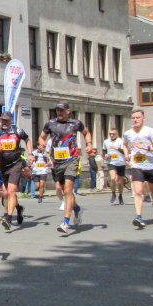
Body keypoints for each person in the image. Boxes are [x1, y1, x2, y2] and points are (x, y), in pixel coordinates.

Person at [40, 101, 94, 236]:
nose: (59, 113)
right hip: (57, 161)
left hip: (72, 160)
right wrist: (41, 144)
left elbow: (86, 133)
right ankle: (77, 208)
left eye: (62, 110)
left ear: (68, 111)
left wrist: (89, 144)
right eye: (58, 110)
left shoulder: (75, 123)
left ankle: (65, 222)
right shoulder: (50, 123)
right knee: (64, 191)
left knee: (69, 190)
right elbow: (42, 137)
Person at [0, 111, 31, 231]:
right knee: (5, 193)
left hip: (15, 164)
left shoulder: (18, 131)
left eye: (6, 120)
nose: (4, 122)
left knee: (10, 192)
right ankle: (18, 209)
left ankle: (9, 217)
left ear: (12, 120)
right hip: (2, 165)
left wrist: (30, 154)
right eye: (3, 120)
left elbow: (27, 140)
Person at [123, 109, 153, 228]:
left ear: (143, 119)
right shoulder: (128, 133)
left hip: (151, 165)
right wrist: (126, 154)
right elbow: (124, 144)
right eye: (133, 118)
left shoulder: (150, 131)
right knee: (138, 192)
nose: (135, 120)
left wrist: (145, 148)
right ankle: (138, 217)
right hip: (137, 165)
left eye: (138, 118)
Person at [102, 128, 127, 205]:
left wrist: (117, 148)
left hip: (121, 162)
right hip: (111, 162)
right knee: (112, 178)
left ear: (117, 134)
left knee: (120, 182)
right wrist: (105, 154)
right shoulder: (106, 141)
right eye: (110, 134)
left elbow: (125, 151)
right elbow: (104, 150)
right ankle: (113, 193)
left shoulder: (121, 141)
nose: (111, 135)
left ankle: (120, 195)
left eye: (113, 134)